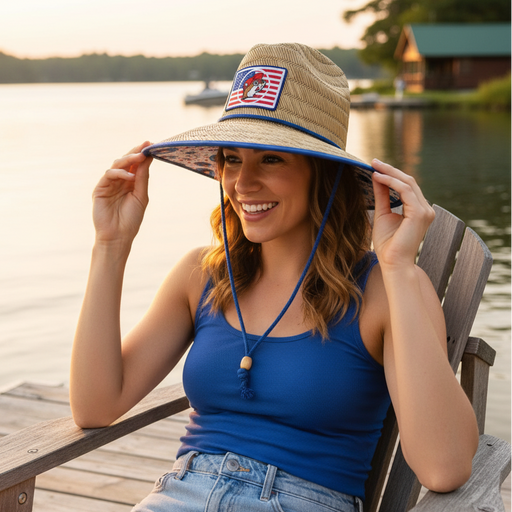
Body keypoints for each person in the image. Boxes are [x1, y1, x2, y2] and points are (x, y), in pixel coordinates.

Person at [70, 43, 478, 512]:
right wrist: (110, 246)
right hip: (178, 494)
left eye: (271, 159)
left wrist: (401, 268)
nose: (242, 183)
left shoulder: (386, 288)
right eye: (231, 158)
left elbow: (444, 468)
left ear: (321, 174)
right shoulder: (202, 277)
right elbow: (96, 406)